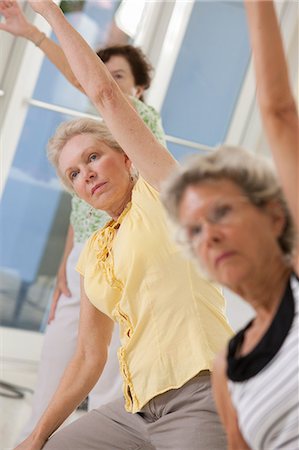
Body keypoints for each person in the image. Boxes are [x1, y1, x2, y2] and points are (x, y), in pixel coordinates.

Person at [13, 0, 234, 449]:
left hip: (203, 392)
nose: (86, 173)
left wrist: (50, 14)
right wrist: (35, 438)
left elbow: (104, 95)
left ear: (129, 157)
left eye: (93, 157)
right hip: (135, 411)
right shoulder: (94, 252)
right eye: (74, 173)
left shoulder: (163, 195)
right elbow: (89, 356)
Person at [0, 1, 167, 443]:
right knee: (60, 351)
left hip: (126, 253)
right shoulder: (95, 140)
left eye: (118, 76)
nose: (103, 83)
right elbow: (82, 210)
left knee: (112, 365)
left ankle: (117, 438)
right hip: (85, 256)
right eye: (102, 73)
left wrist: (38, 30)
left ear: (140, 87)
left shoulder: (140, 122)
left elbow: (91, 85)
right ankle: (41, 436)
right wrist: (65, 264)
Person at [162, 2, 298, 449]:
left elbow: (279, 115)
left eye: (221, 213)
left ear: (274, 214)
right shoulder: (226, 370)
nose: (209, 236)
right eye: (195, 232)